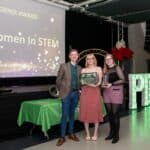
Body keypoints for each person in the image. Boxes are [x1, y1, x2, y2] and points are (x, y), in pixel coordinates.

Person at [56, 49, 82, 146]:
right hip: (66, 94)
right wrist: (60, 90)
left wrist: (80, 89)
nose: (74, 56)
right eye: (72, 54)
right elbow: (58, 80)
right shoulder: (64, 66)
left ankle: (71, 134)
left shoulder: (79, 68)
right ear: (69, 56)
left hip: (75, 94)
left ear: (78, 56)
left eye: (76, 54)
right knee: (64, 115)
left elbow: (80, 80)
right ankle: (62, 137)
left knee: (72, 115)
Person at [79, 53, 103, 141]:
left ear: (94, 59)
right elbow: (82, 82)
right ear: (86, 60)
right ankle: (88, 134)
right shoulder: (83, 70)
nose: (90, 60)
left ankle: (95, 133)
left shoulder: (98, 69)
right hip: (85, 92)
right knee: (85, 112)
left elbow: (99, 82)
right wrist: (85, 83)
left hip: (95, 92)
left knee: (95, 112)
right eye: (88, 59)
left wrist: (92, 84)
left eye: (91, 58)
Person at [102, 53, 125, 144]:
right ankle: (111, 133)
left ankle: (116, 135)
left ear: (113, 59)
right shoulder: (105, 70)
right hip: (106, 93)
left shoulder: (117, 68)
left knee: (115, 114)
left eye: (109, 58)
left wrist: (112, 84)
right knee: (110, 114)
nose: (108, 60)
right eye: (106, 59)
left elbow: (123, 79)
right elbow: (104, 82)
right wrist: (102, 85)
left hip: (116, 92)